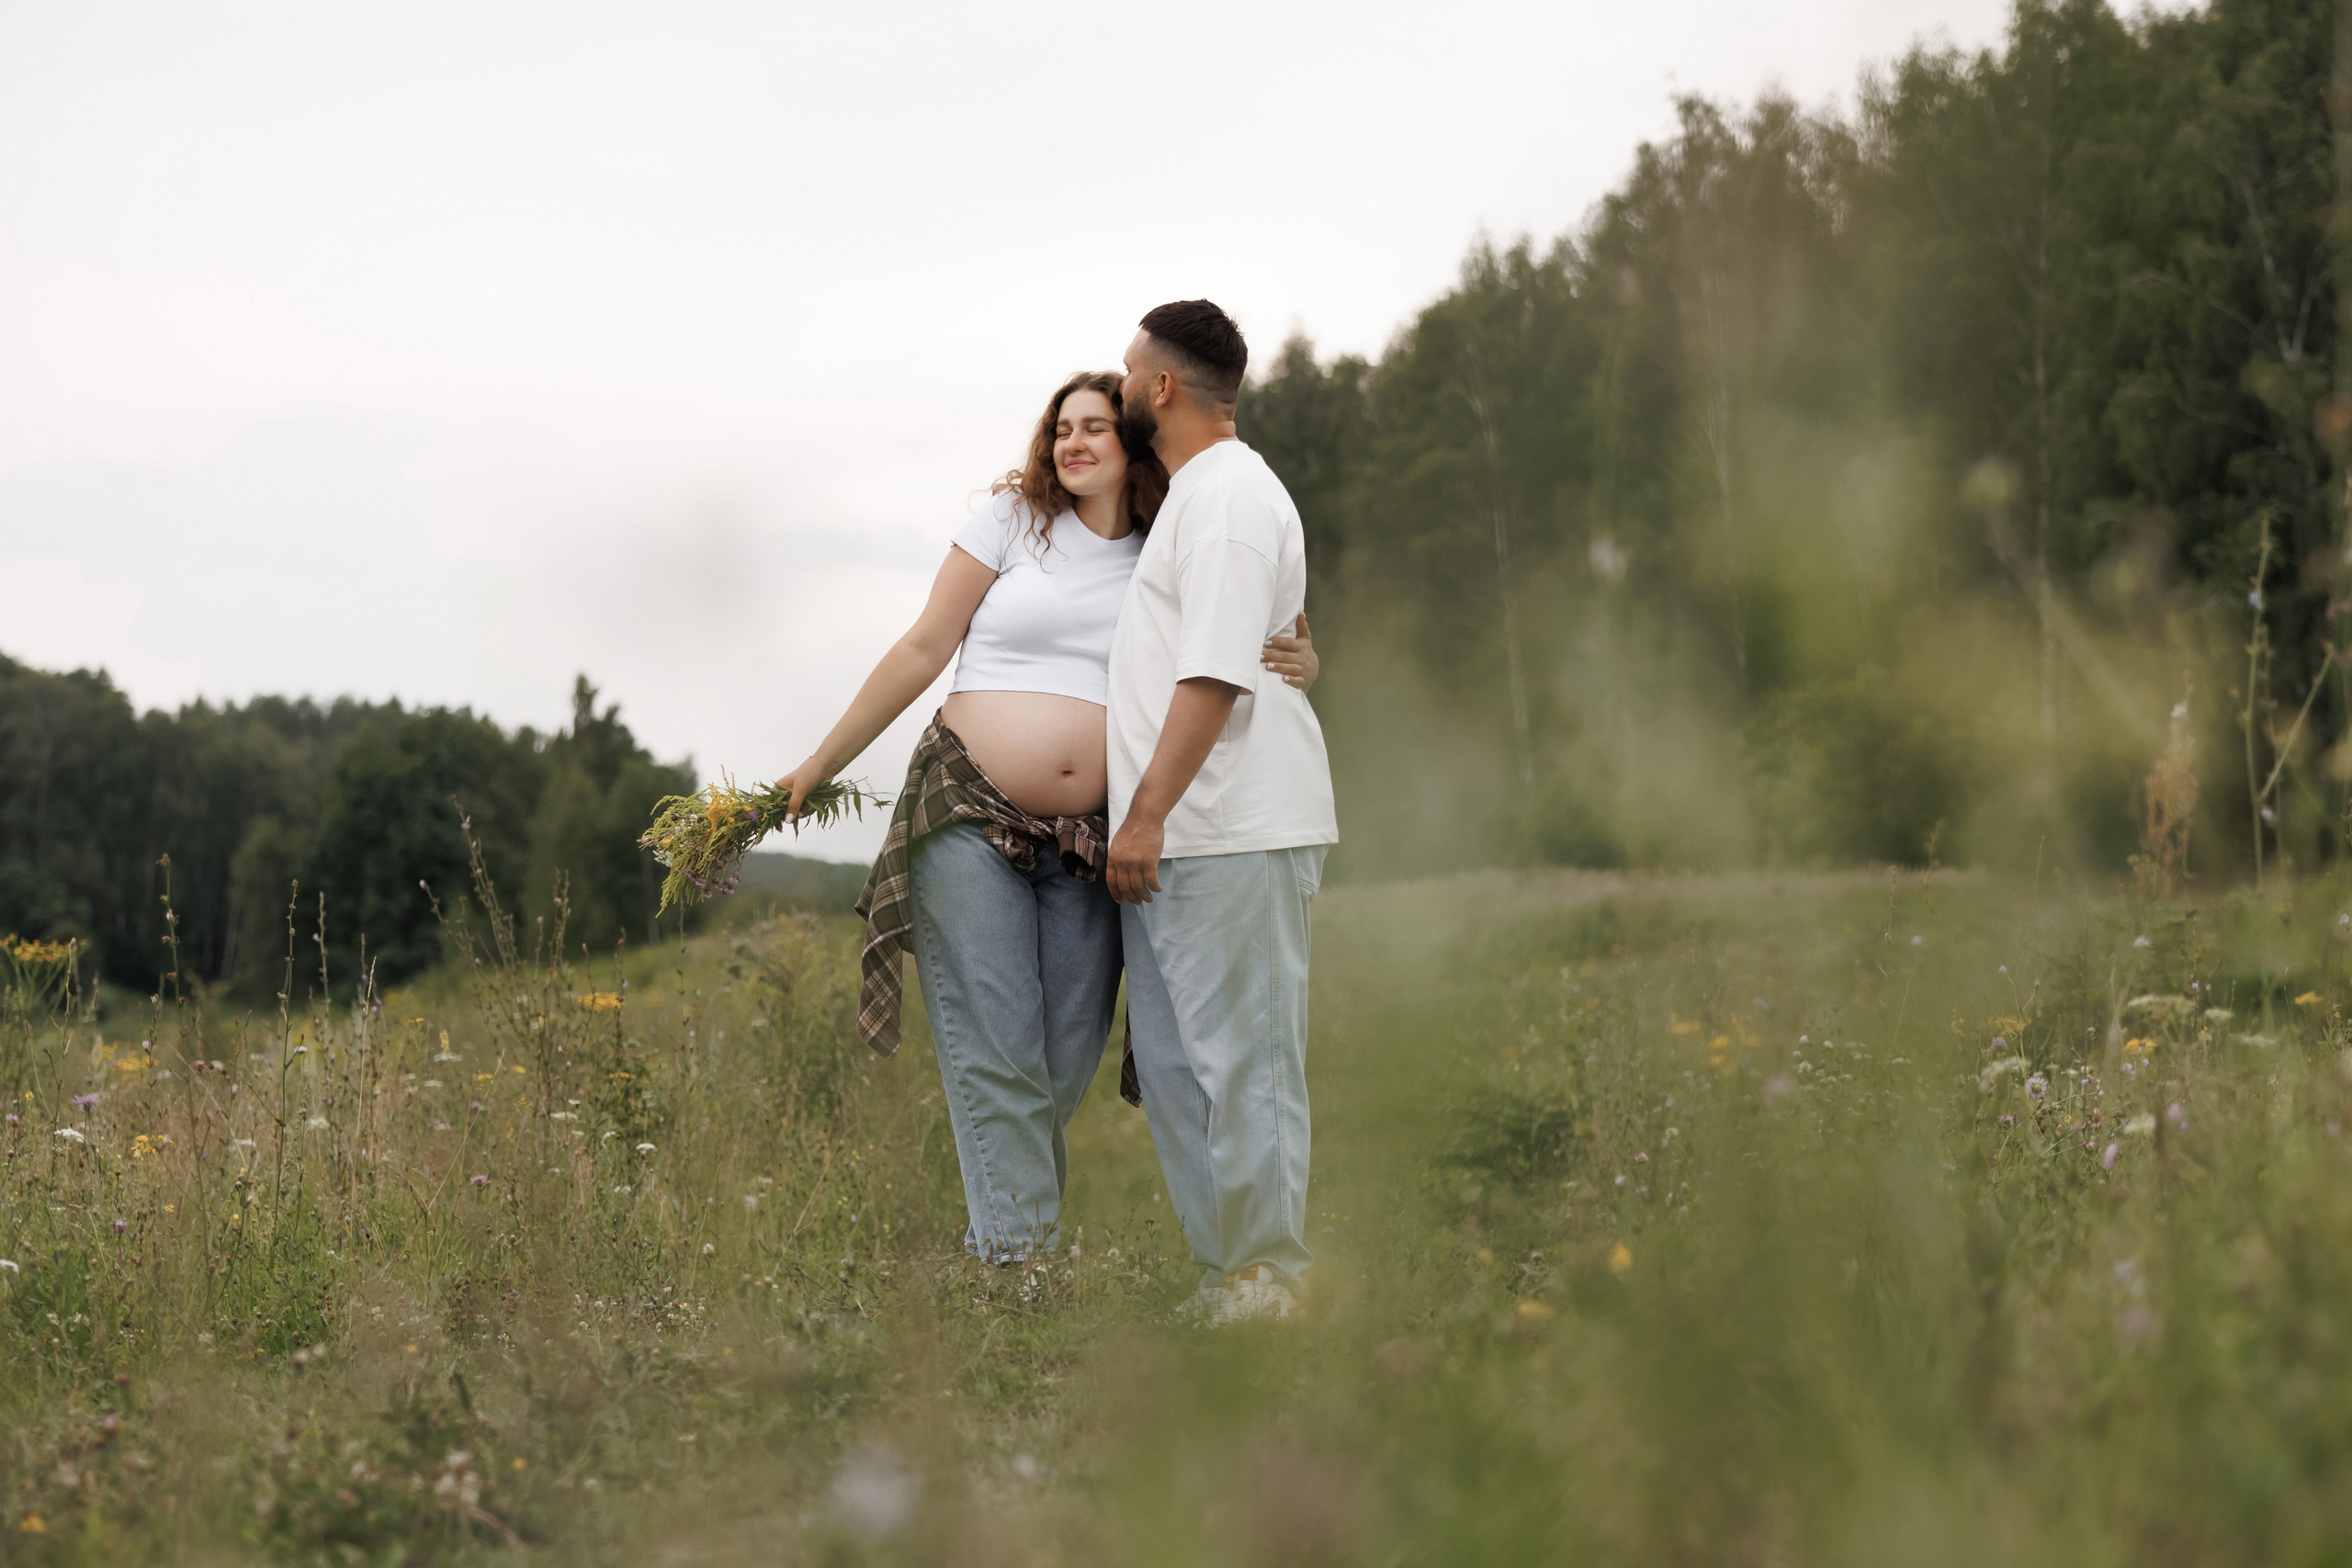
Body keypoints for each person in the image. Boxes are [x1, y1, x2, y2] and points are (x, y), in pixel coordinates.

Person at [775, 371, 1317, 1264]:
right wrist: (818, 765)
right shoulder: (1010, 525)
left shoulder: (1170, 536)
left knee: (1063, 1056)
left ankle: (1002, 1234)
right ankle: (1014, 1262)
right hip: (968, 811)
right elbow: (922, 648)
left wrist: (1305, 652)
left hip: (1086, 837)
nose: (1072, 442)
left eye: (1096, 427)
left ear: (1131, 442)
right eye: (1060, 427)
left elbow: (1269, 625)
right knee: (995, 1043)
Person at [1106, 300, 1339, 1324]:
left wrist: (1145, 814)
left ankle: (1269, 1275)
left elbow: (1214, 677)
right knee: (1179, 1067)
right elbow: (1269, 641)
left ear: (1162, 386)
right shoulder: (1201, 499)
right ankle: (1225, 1275)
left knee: (1247, 1058)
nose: (1118, 386)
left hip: (1232, 823)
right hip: (1183, 836)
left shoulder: (1233, 499)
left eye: (1126, 371)